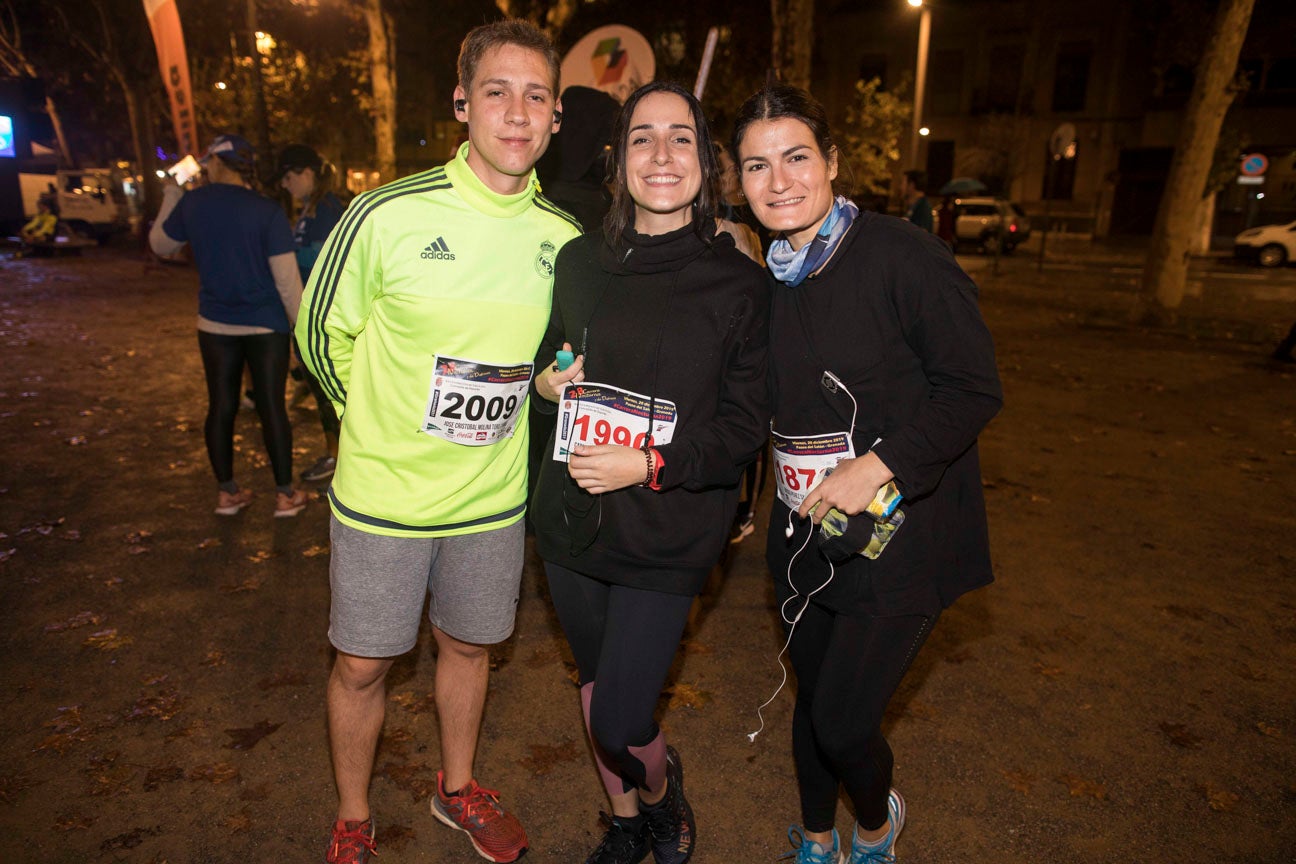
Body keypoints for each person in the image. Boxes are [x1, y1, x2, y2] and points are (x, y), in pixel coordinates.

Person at [295, 19, 580, 864]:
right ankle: (353, 814)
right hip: (384, 499)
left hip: (491, 503)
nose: (517, 113)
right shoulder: (386, 213)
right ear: (463, 103)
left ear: (558, 116)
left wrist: (543, 388)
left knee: (468, 647)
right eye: (498, 91)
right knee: (361, 668)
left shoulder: (562, 240)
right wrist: (374, 423)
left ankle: (457, 791)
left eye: (536, 96)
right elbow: (319, 335)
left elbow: (544, 368)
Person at [732, 84, 1002, 864]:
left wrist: (875, 467)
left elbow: (974, 388)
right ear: (738, 181)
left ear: (833, 163)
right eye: (757, 165)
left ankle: (876, 827)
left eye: (796, 157)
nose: (779, 181)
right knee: (812, 697)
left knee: (843, 721)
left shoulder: (902, 256)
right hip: (803, 536)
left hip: (901, 537)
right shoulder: (766, 280)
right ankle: (818, 839)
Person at [530, 81, 770, 864]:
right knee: (598, 687)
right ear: (618, 156)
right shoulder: (576, 261)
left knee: (622, 718)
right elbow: (548, 364)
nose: (660, 155)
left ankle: (665, 801)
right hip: (573, 517)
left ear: (707, 161)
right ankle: (627, 820)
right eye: (642, 137)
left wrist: (651, 461)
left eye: (680, 138)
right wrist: (548, 383)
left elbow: (742, 428)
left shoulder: (736, 282)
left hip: (669, 525)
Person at [149, 134, 308, 518]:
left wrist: (172, 195)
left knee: (221, 406)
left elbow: (161, 246)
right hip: (266, 326)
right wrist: (303, 331)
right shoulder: (266, 211)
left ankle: (227, 493)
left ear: (219, 164)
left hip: (215, 324)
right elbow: (287, 282)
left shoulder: (193, 203)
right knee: (272, 408)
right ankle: (285, 495)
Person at [277, 143, 347, 482]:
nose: (285, 184)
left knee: (329, 394)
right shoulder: (310, 210)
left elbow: (329, 268)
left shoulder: (328, 211)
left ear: (307, 174)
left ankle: (339, 458)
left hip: (322, 321)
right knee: (320, 392)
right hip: (306, 317)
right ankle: (334, 455)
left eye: (289, 176)